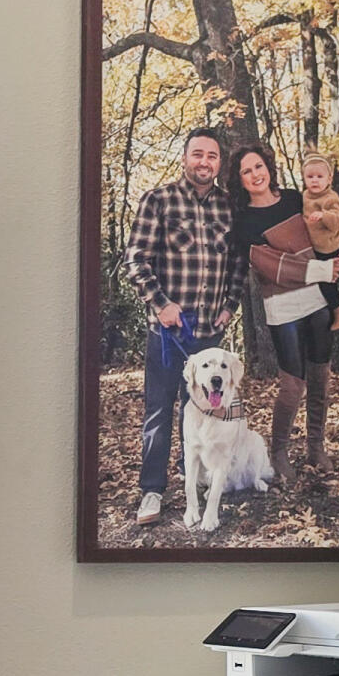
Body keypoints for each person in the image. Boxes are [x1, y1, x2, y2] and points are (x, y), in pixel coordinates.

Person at [124, 127, 235, 523]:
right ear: (185, 157)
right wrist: (161, 303)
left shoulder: (227, 207)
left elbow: (236, 263)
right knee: (160, 410)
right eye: (198, 154)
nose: (204, 162)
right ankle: (152, 491)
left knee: (208, 410)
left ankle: (197, 479)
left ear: (219, 163)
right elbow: (136, 260)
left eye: (212, 156)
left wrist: (230, 304)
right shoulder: (159, 200)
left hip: (210, 334)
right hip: (169, 334)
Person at [231, 138, 339, 481]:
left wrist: (338, 259)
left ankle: (316, 446)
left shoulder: (296, 198)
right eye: (246, 171)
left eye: (258, 166)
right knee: (293, 384)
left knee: (321, 376)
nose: (255, 174)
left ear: (269, 167)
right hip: (282, 307)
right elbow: (271, 267)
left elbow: (324, 235)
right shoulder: (244, 222)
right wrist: (320, 269)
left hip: (318, 300)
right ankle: (278, 452)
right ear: (240, 180)